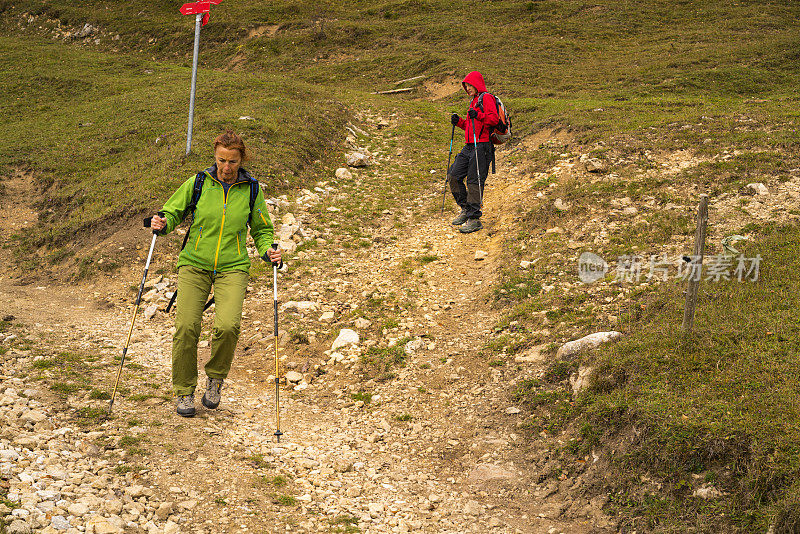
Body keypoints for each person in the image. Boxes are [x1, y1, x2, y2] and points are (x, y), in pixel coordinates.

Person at [150, 131, 282, 417]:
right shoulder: (199, 182)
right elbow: (173, 212)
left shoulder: (252, 189)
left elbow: (261, 229)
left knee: (228, 326)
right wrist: (162, 222)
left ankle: (215, 379)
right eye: (221, 160)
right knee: (186, 328)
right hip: (194, 263)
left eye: (232, 161)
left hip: (232, 266)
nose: (226, 167)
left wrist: (268, 251)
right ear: (215, 156)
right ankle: (184, 391)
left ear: (241, 159)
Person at [448, 71, 499, 234]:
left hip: (482, 146)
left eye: (470, 85)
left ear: (477, 84)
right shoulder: (474, 101)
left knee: (474, 181)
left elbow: (493, 120)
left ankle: (474, 218)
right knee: (454, 176)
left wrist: (478, 114)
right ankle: (465, 209)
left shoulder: (487, 98)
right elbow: (471, 126)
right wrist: (460, 122)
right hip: (469, 145)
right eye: (466, 86)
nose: (468, 88)